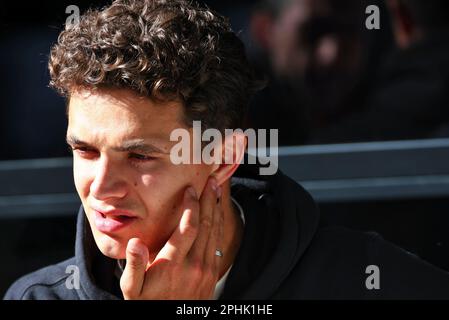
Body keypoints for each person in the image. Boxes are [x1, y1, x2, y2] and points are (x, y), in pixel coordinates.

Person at [4, 0, 449, 300]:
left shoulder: (368, 280)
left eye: (139, 157)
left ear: (223, 157)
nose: (101, 188)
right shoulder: (38, 296)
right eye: (84, 151)